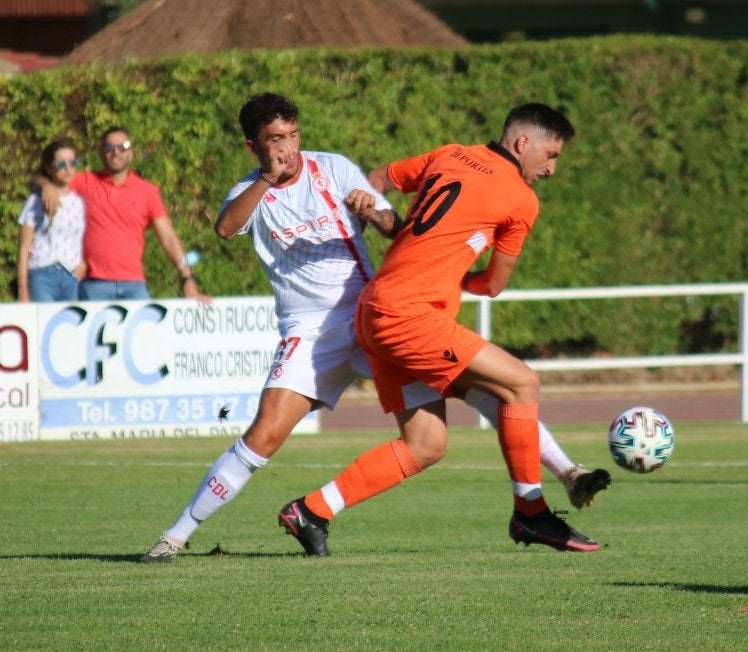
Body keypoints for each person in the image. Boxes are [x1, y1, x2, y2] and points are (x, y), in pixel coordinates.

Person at [140, 94, 608, 563]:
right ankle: (175, 535)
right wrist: (266, 179)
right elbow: (225, 227)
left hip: (369, 312)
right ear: (253, 146)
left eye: (293, 134)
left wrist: (375, 210)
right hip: (314, 332)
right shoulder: (252, 190)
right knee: (263, 436)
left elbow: (397, 227)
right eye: (276, 140)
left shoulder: (334, 168)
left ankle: (314, 511)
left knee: (449, 425)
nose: (288, 147)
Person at [279, 103, 601, 556]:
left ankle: (311, 511)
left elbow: (373, 180)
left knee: (425, 445)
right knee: (522, 383)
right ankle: (531, 515)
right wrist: (452, 275)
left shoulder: (449, 155)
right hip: (409, 317)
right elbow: (492, 285)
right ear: (522, 143)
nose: (550, 169)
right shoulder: (521, 200)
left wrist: (386, 225)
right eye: (551, 155)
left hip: (373, 309)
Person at [40, 127, 210, 303]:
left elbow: (168, 238)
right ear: (101, 152)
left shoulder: (147, 192)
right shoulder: (84, 182)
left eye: (123, 147)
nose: (116, 152)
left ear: (131, 154)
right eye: (109, 147)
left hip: (134, 286)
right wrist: (46, 186)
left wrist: (188, 278)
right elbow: (43, 178)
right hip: (93, 285)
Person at [16, 139, 86, 302]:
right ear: (49, 167)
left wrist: (83, 263)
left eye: (73, 163)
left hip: (71, 275)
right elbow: (24, 247)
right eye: (61, 164)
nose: (68, 169)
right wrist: (22, 288)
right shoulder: (35, 201)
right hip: (42, 273)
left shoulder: (78, 202)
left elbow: (79, 239)